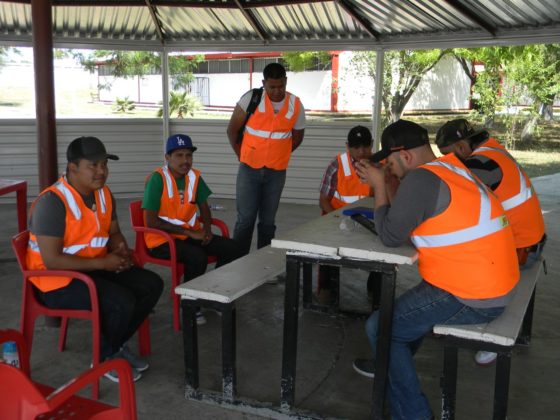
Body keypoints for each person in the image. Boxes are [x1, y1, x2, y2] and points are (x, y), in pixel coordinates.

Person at [352, 120, 519, 420]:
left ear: (406, 156)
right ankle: (392, 365)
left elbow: (390, 236)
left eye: (391, 163)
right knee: (400, 323)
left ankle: (414, 414)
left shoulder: (421, 179)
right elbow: (405, 219)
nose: (390, 169)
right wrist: (388, 182)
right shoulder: (450, 168)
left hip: (473, 294)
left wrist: (378, 186)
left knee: (381, 328)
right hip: (489, 282)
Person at [27, 136, 164, 382]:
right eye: (93, 165)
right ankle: (104, 358)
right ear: (73, 168)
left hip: (92, 268)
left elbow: (114, 232)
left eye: (104, 164)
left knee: (152, 284)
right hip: (55, 283)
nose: (101, 171)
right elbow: (52, 261)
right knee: (120, 301)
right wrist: (103, 263)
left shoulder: (103, 194)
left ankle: (113, 346)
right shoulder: (52, 202)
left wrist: (121, 251)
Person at [436, 118, 546, 365]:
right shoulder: (492, 150)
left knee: (446, 260)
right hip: (529, 242)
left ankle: (486, 330)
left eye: (447, 154)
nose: (447, 160)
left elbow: (456, 201)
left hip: (521, 250)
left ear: (461, 147)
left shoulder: (481, 163)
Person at [142, 134, 243, 325]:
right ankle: (189, 304)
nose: (185, 161)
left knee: (234, 248)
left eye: (188, 155)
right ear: (167, 157)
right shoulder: (157, 179)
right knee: (197, 256)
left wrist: (207, 229)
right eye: (179, 155)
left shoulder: (194, 176)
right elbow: (151, 222)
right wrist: (189, 233)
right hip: (161, 240)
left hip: (188, 235)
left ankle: (212, 295)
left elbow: (204, 206)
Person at [227, 62, 306, 255]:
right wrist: (242, 156)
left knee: (268, 222)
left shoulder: (296, 104)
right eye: (272, 87)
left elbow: (297, 138)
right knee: (245, 220)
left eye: (281, 86)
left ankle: (263, 262)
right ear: (264, 83)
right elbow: (232, 131)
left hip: (276, 173)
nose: (277, 91)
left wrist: (278, 154)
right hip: (249, 170)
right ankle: (238, 261)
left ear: (286, 81)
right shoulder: (251, 99)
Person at [318, 125, 381, 306]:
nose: (361, 152)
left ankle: (375, 290)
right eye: (356, 147)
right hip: (338, 220)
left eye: (365, 146)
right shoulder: (336, 165)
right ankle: (326, 289)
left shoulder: (379, 165)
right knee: (327, 249)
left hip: (369, 221)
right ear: (348, 146)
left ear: (372, 144)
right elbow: (324, 200)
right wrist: (337, 220)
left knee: (382, 249)